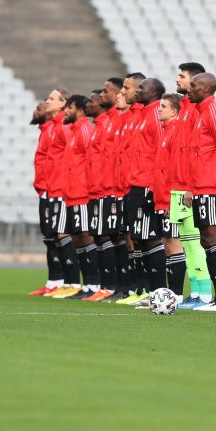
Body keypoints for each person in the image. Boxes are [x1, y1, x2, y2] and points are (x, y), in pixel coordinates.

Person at [185, 73, 216, 311]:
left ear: (205, 88)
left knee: (214, 239)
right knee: (206, 240)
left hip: (213, 187)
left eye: (193, 86)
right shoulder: (199, 113)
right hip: (200, 187)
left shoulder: (213, 113)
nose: (189, 89)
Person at [171, 63, 213, 309]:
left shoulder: (201, 111)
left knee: (196, 241)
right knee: (187, 242)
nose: (178, 79)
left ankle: (205, 293)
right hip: (180, 185)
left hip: (193, 186)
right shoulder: (185, 108)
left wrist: (191, 186)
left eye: (182, 76)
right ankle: (196, 292)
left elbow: (209, 152)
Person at [127, 78, 167, 307]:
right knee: (140, 239)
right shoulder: (143, 114)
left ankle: (159, 293)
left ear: (152, 93)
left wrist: (153, 186)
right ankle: (151, 293)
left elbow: (162, 151)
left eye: (141, 88)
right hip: (136, 183)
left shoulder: (154, 114)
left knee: (150, 238)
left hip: (147, 185)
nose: (137, 91)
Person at [44, 88, 84, 298]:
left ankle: (73, 282)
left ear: (63, 104)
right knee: (58, 235)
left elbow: (74, 155)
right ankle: (68, 282)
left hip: (63, 188)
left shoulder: (64, 126)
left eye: (51, 98)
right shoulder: (53, 126)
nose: (47, 101)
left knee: (64, 234)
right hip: (55, 187)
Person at [58, 95, 100, 300]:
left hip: (82, 194)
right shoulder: (74, 131)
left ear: (81, 110)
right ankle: (88, 284)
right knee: (76, 238)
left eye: (69, 107)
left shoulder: (84, 130)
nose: (65, 111)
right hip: (71, 195)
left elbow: (91, 163)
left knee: (86, 236)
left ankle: (95, 283)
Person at [114, 73, 148, 304]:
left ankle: (144, 289)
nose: (122, 93)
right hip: (126, 185)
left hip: (142, 185)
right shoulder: (130, 118)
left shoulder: (146, 116)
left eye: (125, 88)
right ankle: (132, 288)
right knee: (130, 237)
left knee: (143, 238)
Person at [97, 77, 129, 303]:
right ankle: (118, 287)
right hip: (111, 186)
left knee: (129, 238)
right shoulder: (111, 120)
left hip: (124, 187)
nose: (104, 95)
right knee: (117, 237)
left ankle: (132, 287)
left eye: (111, 91)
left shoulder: (122, 118)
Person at [153, 93, 187, 304]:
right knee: (168, 244)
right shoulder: (165, 131)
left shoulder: (175, 131)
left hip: (171, 198)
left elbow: (174, 169)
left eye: (163, 106)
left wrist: (168, 199)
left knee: (174, 245)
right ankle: (172, 293)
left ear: (174, 111)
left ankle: (176, 294)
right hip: (163, 198)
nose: (159, 109)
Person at [84, 91, 116, 301]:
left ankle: (117, 286)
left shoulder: (108, 124)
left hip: (110, 188)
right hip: (98, 189)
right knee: (100, 237)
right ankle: (105, 286)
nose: (89, 104)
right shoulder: (100, 126)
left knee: (115, 237)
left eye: (92, 100)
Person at [29, 100, 62, 296]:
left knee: (58, 237)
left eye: (38, 109)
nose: (35, 111)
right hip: (46, 190)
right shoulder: (46, 130)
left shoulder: (54, 129)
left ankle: (63, 281)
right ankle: (53, 282)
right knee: (49, 238)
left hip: (54, 190)